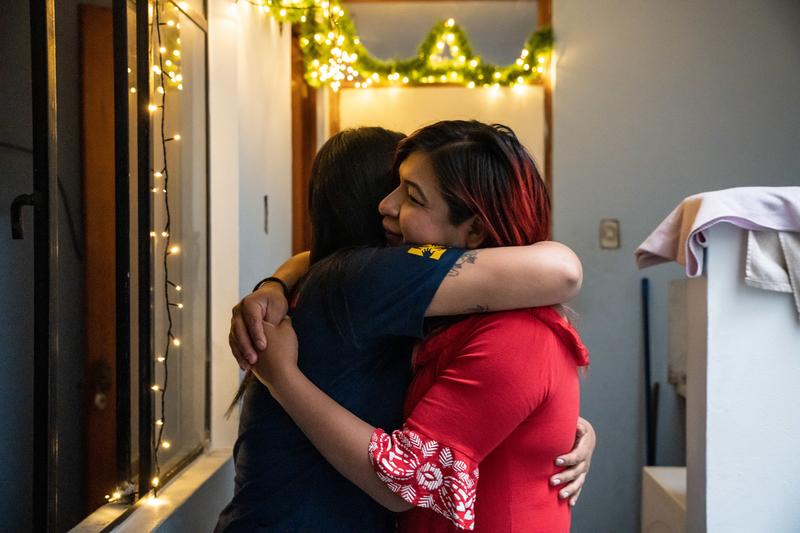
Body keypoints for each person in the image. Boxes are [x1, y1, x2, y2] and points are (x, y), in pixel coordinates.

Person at [219, 124, 594, 532]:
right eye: (393, 185)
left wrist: (552, 428)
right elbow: (561, 270)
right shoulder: (365, 278)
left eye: (411, 193)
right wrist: (282, 375)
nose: (388, 205)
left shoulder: (360, 280)